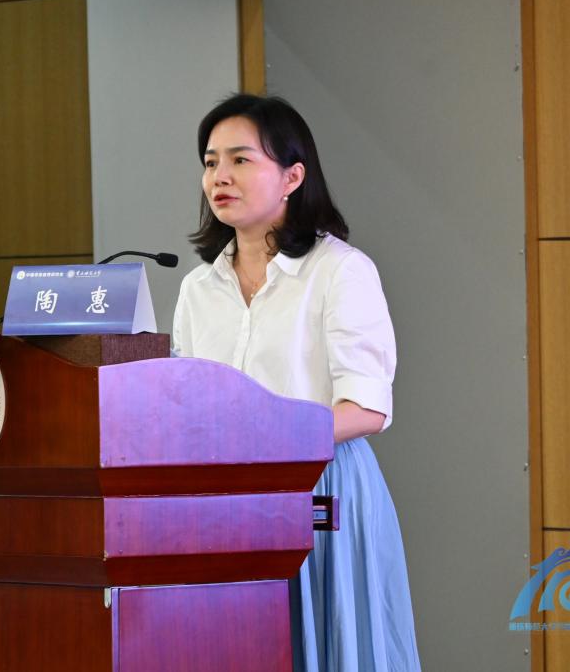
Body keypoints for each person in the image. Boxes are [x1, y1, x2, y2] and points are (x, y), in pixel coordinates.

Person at [171, 93, 421, 672]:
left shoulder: (339, 271)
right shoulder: (197, 288)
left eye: (240, 160)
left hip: (318, 486)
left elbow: (366, 408)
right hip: (223, 498)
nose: (219, 177)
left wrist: (266, 436)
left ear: (292, 176)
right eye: (210, 162)